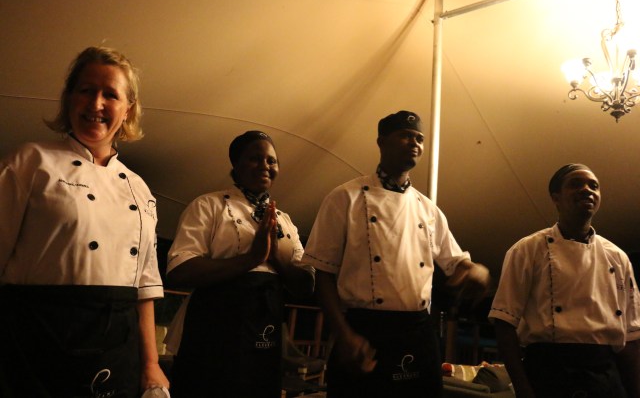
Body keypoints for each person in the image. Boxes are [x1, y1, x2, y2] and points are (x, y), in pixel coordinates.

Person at [0, 46, 169, 397]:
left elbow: (145, 285)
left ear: (128, 109)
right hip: (37, 339)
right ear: (68, 99)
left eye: (110, 94)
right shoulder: (29, 162)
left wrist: (151, 365)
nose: (96, 104)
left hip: (118, 346)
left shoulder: (138, 188)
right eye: (86, 90)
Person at [301, 110, 491, 397]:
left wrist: (477, 271)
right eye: (405, 136)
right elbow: (323, 273)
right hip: (365, 330)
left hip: (418, 331)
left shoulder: (428, 209)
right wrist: (343, 334)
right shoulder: (345, 197)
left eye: (419, 138)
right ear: (381, 142)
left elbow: (458, 263)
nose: (414, 143)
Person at [164, 130, 315, 398]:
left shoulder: (286, 221)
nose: (265, 166)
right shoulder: (208, 205)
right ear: (236, 164)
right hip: (211, 334)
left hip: (264, 334)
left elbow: (306, 285)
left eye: (271, 160)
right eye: (255, 158)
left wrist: (275, 257)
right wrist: (250, 259)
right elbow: (179, 270)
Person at [489, 163, 640, 398]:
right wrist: (523, 388)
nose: (587, 190)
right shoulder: (527, 250)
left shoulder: (617, 257)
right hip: (549, 372)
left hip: (606, 376)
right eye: (576, 184)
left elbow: (631, 338)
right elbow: (504, 324)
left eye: (593, 186)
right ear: (556, 198)